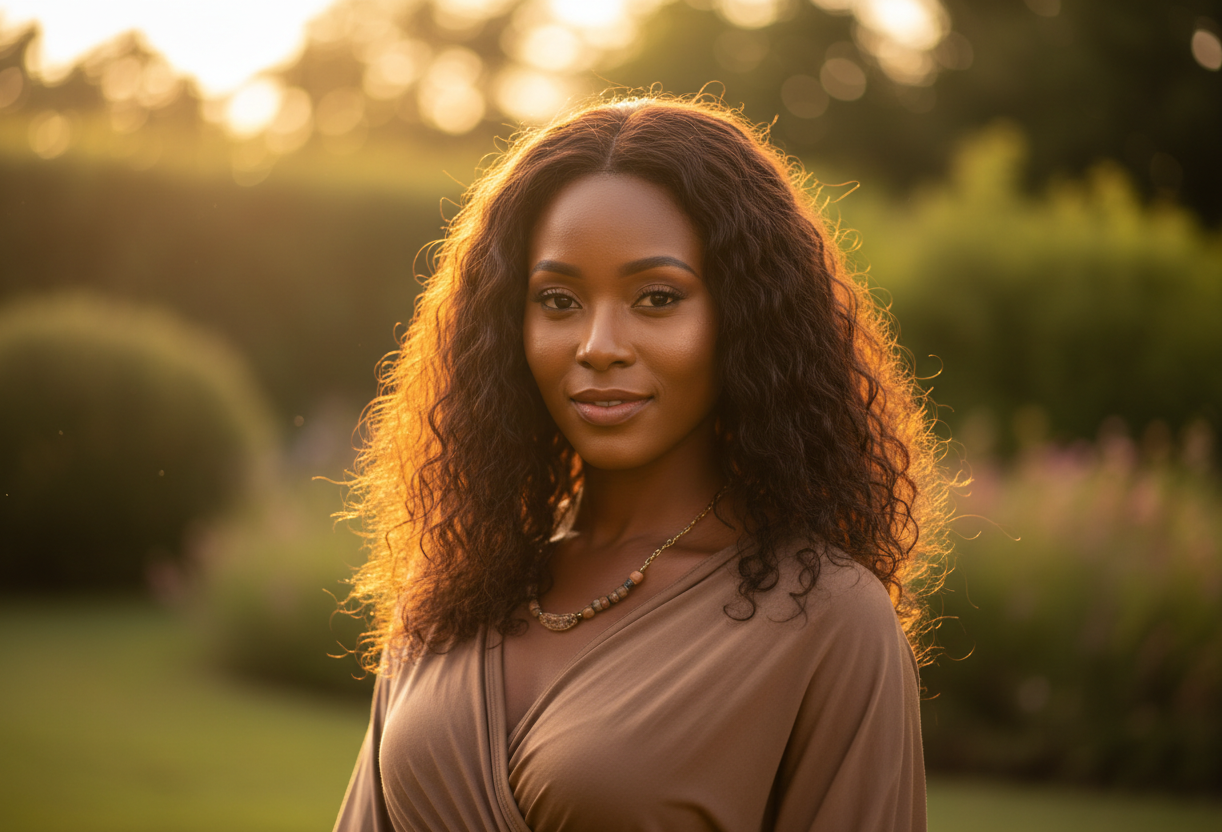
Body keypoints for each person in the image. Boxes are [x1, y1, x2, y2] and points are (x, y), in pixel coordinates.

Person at [333, 94, 949, 832]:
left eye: (656, 298)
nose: (598, 344)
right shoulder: (454, 592)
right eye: (557, 300)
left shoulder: (828, 618)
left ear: (745, 319)